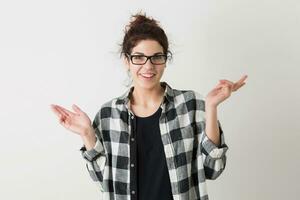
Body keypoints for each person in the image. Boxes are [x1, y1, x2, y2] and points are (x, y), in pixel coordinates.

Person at [50, 12, 247, 200]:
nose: (148, 66)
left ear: (165, 60)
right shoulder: (108, 115)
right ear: (126, 61)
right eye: (139, 57)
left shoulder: (191, 105)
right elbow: (104, 182)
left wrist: (211, 107)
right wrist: (87, 135)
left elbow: (213, 169)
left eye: (157, 57)